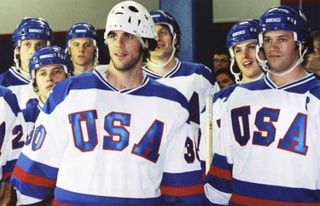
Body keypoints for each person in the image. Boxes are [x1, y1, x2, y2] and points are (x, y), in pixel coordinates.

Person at [10, 1, 204, 205]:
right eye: (113, 35)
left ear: (146, 42)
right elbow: (33, 175)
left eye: (128, 36)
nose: (118, 44)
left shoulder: (172, 103)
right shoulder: (68, 92)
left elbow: (183, 190)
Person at [205, 6, 320, 205]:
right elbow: (221, 178)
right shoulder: (234, 98)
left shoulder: (316, 97)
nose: (273, 47)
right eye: (267, 40)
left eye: (282, 39)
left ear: (301, 44)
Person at [144, 10, 219, 171]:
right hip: (148, 167)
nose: (157, 38)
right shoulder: (135, 79)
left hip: (192, 167)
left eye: (163, 32)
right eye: (152, 33)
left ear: (175, 38)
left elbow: (216, 124)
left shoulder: (200, 74)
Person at [0, 17, 53, 111]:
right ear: (18, 49)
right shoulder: (2, 84)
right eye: (27, 44)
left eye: (40, 45)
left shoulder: (60, 80)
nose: (33, 51)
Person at [24, 45, 71, 125]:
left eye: (56, 72)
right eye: (43, 73)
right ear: (35, 82)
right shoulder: (24, 118)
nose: (49, 78)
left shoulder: (79, 111)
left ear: (67, 76)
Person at [226, 19, 264, 83]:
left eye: (251, 47)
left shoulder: (283, 91)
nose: (244, 55)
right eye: (238, 50)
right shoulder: (228, 93)